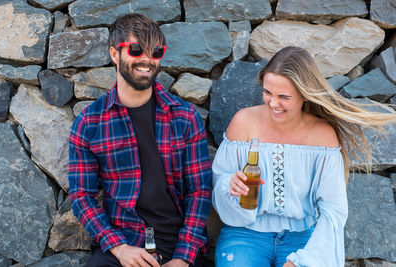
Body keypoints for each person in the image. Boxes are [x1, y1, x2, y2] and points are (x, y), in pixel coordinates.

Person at [211, 46, 396, 267]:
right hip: (244, 235)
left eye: (284, 97)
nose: (272, 103)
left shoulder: (323, 135)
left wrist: (304, 259)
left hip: (301, 238)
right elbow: (219, 182)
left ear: (305, 95)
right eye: (267, 92)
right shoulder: (243, 122)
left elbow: (333, 210)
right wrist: (229, 185)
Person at [68, 13, 212, 267]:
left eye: (156, 52)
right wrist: (118, 247)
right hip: (124, 242)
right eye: (136, 50)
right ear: (115, 54)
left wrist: (182, 257)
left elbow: (199, 192)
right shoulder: (89, 123)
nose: (147, 59)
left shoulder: (185, 117)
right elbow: (82, 196)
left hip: (177, 243)